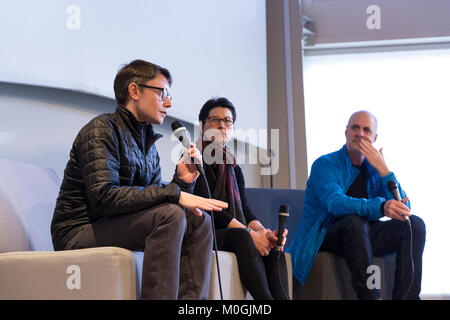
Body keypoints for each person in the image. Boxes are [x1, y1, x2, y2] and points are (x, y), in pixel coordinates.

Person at [50, 59, 228, 300]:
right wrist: (175, 193)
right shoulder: (101, 130)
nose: (169, 102)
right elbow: (104, 198)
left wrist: (181, 182)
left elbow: (151, 200)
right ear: (134, 91)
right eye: (162, 92)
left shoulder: (147, 145)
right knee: (171, 215)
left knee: (199, 220)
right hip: (78, 232)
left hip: (114, 224)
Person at [287, 110, 426, 300]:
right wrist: (380, 207)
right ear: (346, 132)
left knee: (414, 225)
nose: (360, 133)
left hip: (363, 236)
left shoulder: (375, 168)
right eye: (355, 128)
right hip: (326, 234)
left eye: (367, 130)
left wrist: (384, 170)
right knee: (354, 222)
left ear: (374, 137)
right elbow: (334, 203)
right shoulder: (324, 164)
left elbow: (404, 207)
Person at [193, 97, 290, 300]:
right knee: (242, 236)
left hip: (228, 230)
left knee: (273, 247)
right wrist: (249, 233)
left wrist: (264, 234)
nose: (221, 125)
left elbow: (244, 208)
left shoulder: (232, 166)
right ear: (203, 127)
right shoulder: (194, 159)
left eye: (227, 121)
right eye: (214, 120)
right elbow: (209, 209)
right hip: (203, 231)